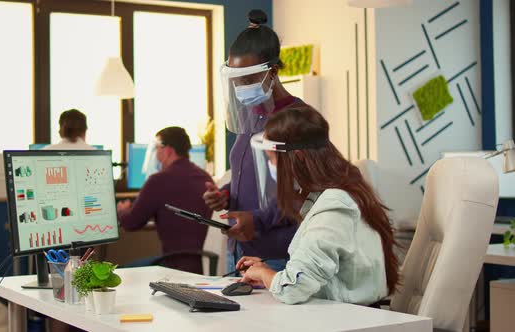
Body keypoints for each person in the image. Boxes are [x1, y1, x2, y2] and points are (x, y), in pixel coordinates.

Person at [233, 107, 399, 305]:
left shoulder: (335, 204)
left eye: (272, 158)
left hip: (350, 321)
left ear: (299, 157)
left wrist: (264, 273)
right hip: (339, 316)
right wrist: (269, 275)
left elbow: (294, 289)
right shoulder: (329, 196)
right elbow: (318, 276)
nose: (271, 167)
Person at [202, 9, 310, 272]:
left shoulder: (298, 119)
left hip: (274, 257)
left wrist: (257, 219)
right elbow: (253, 177)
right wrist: (225, 195)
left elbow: (303, 194)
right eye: (236, 80)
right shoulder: (252, 115)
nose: (240, 87)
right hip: (239, 251)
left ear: (272, 72)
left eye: (247, 79)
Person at [117, 127, 212, 274]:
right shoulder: (205, 177)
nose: (156, 154)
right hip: (204, 265)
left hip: (174, 266)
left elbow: (131, 223)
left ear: (168, 150)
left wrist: (122, 211)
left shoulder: (158, 180)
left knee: (119, 271)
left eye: (157, 149)